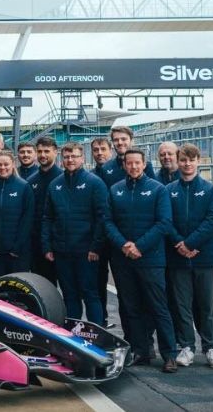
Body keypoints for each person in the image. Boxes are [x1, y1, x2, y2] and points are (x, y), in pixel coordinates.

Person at [105, 149, 178, 373]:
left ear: (145, 164)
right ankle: (140, 351)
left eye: (138, 163)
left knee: (159, 308)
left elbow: (164, 223)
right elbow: (108, 222)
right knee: (131, 308)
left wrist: (139, 246)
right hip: (123, 260)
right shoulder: (115, 190)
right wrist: (124, 245)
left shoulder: (158, 189)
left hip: (151, 260)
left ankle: (169, 355)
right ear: (125, 165)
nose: (134, 167)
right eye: (130, 163)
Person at [164, 143, 213, 369]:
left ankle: (210, 347)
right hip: (177, 257)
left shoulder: (210, 190)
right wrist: (179, 243)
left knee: (206, 305)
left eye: (191, 159)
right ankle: (187, 346)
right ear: (178, 162)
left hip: (204, 256)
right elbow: (165, 220)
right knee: (182, 305)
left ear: (198, 160)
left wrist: (190, 243)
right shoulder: (169, 190)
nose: (187, 164)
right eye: (183, 159)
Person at [42, 142, 107, 325]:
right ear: (62, 159)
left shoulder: (95, 183)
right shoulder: (55, 185)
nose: (70, 160)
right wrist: (47, 245)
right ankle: (72, 335)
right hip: (62, 251)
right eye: (67, 157)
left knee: (90, 294)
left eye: (74, 156)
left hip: (86, 251)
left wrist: (96, 246)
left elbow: (102, 218)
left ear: (82, 158)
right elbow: (47, 217)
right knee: (69, 295)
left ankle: (96, 334)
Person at [0, 151, 34, 284]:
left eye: (6, 164)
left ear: (13, 164)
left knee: (16, 292)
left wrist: (17, 248)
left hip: (16, 253)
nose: (2, 168)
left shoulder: (24, 187)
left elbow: (27, 220)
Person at [24, 136, 61, 283]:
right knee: (40, 284)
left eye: (47, 151)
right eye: (40, 151)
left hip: (58, 242)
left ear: (55, 152)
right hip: (36, 242)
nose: (43, 155)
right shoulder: (31, 181)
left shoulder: (62, 178)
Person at [90, 136, 116, 328]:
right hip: (98, 237)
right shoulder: (90, 176)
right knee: (97, 281)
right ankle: (102, 321)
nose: (99, 153)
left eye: (103, 149)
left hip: (117, 236)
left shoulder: (120, 172)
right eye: (96, 150)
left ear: (111, 150)